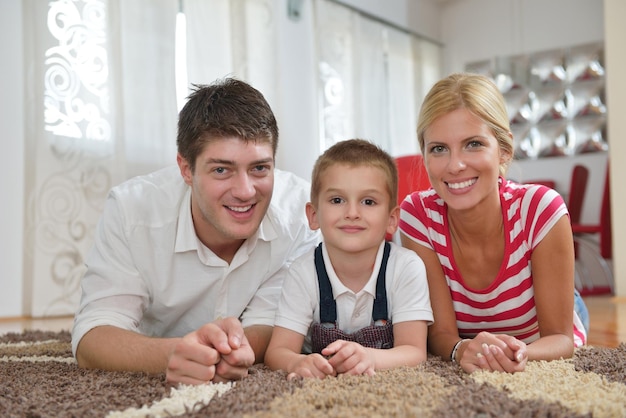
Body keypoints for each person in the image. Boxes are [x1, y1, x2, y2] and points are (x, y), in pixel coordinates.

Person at [71, 78, 320, 385]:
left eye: (259, 168)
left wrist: (230, 351)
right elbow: (93, 335)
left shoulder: (303, 214)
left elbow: (273, 322)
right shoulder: (131, 211)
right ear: (186, 169)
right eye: (221, 169)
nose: (245, 191)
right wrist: (174, 353)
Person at [399, 73, 588, 374]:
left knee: (570, 308)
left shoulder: (540, 208)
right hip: (490, 324)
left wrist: (517, 354)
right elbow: (440, 334)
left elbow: (561, 339)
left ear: (504, 149)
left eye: (473, 144)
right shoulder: (417, 215)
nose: (455, 165)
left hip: (543, 313)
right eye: (438, 148)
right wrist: (462, 349)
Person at [265, 139, 433, 379]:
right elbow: (277, 352)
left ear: (392, 219)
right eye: (337, 200)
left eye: (368, 202)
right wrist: (298, 363)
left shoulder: (406, 267)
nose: (352, 213)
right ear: (313, 215)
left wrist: (370, 357)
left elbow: (415, 352)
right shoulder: (303, 272)